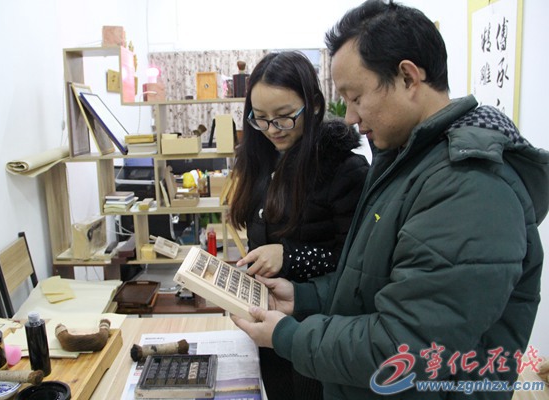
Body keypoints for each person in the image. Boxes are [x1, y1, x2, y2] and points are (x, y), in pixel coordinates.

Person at [232, 1, 549, 399]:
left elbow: (405, 347)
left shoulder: (469, 187)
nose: (349, 117)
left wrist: (289, 336)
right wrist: (305, 296)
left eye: (356, 97)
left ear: (408, 77)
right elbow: (373, 282)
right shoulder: (406, 164)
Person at [228, 51, 369, 400]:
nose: (272, 130)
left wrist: (290, 256)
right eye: (260, 119)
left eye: (284, 117)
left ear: (314, 105)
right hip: (269, 323)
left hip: (319, 331)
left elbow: (357, 263)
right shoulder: (261, 161)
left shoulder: (343, 169)